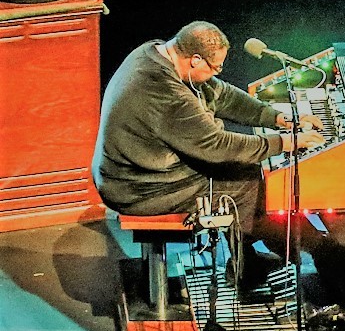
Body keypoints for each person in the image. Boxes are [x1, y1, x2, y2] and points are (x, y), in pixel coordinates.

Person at [92, 21, 327, 291]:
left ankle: (247, 265)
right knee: (252, 187)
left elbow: (222, 95)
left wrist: (276, 117)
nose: (218, 72)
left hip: (139, 167)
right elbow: (216, 145)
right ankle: (314, 249)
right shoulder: (164, 90)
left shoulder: (155, 52)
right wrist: (285, 142)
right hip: (137, 186)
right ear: (194, 59)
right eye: (215, 67)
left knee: (246, 172)